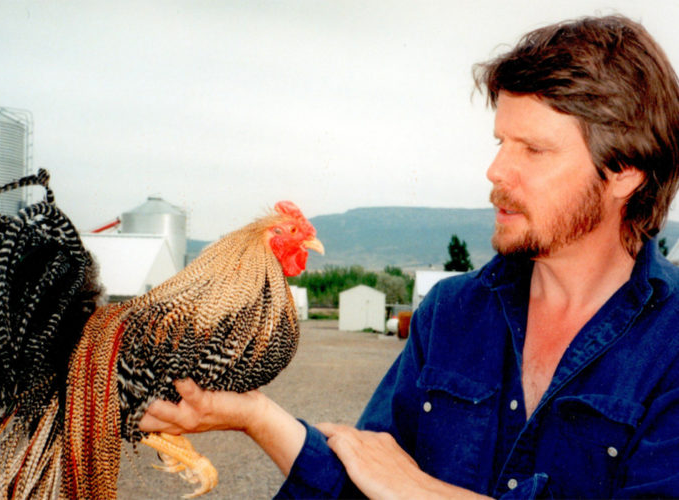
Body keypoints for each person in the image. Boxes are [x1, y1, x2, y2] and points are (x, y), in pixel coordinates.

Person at [140, 15, 679, 498]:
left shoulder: (670, 345)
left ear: (624, 171)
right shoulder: (453, 312)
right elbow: (364, 478)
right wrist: (253, 415)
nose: (495, 172)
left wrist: (417, 490)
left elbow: (397, 486)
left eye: (533, 150)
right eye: (500, 143)